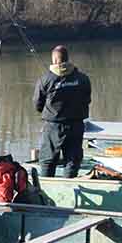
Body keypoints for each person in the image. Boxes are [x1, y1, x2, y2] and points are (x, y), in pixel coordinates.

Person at [33, 45, 93, 178]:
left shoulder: (45, 79)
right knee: (72, 160)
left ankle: (46, 188)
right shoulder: (82, 78)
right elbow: (87, 99)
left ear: (54, 60)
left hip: (53, 125)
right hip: (76, 125)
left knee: (48, 160)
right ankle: (69, 186)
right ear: (67, 59)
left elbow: (37, 104)